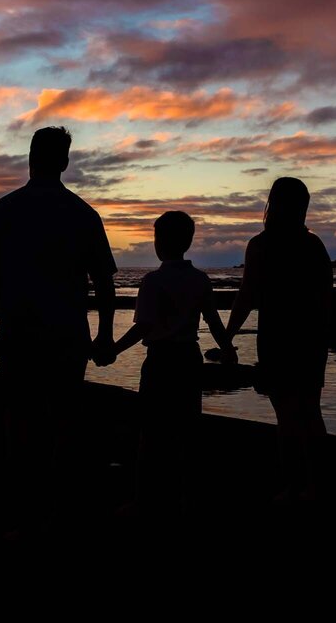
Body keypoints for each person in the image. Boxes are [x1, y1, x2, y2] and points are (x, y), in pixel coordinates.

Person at [0, 125, 117, 532]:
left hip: (19, 331)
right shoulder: (83, 214)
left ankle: (24, 499)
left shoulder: (5, 210)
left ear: (30, 158)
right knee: (66, 418)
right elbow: (104, 283)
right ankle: (60, 503)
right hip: (68, 334)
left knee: (20, 417)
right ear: (65, 162)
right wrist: (104, 334)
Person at [97, 211, 236, 516]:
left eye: (157, 236)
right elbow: (213, 321)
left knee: (151, 432)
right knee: (187, 430)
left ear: (162, 242)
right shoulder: (199, 279)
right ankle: (187, 496)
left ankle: (144, 498)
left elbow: (143, 327)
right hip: (189, 358)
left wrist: (114, 350)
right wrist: (228, 349)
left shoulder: (153, 281)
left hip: (160, 360)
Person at [225, 177, 333, 502]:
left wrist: (226, 335)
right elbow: (326, 295)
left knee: (286, 415)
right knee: (310, 412)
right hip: (311, 338)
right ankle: (315, 484)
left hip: (277, 336)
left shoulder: (261, 245)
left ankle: (294, 485)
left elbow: (247, 295)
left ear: (272, 204)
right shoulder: (313, 245)